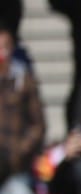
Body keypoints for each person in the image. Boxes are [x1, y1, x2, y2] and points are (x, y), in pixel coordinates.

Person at [0, 24, 45, 174]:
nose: (2, 53)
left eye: (5, 47)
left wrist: (20, 149)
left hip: (16, 164)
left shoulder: (24, 80)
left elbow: (38, 125)